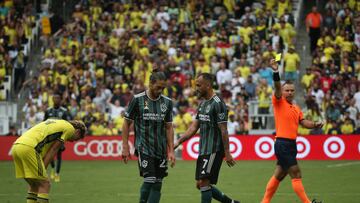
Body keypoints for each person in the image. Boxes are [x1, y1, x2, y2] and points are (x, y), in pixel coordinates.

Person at [261, 59, 323, 203]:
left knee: (279, 175)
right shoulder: (278, 101)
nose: (289, 92)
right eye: (286, 90)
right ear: (282, 92)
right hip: (282, 144)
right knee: (296, 173)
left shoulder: (296, 108)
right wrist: (276, 71)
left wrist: (314, 124)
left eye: (291, 90)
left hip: (291, 144)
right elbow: (277, 86)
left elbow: (303, 122)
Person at [174, 73, 239, 203]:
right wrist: (178, 142)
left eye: (198, 85)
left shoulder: (218, 104)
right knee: (200, 184)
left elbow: (224, 130)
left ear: (208, 85)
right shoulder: (203, 104)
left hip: (214, 149)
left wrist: (227, 153)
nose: (196, 88)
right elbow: (193, 128)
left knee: (204, 183)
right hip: (204, 149)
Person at [122, 71, 176, 203]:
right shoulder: (137, 99)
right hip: (144, 147)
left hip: (161, 149)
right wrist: (125, 147)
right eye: (158, 87)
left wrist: (171, 150)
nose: (160, 90)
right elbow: (126, 123)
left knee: (158, 183)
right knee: (150, 179)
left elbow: (169, 127)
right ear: (150, 84)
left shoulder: (167, 103)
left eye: (163, 88)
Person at [12, 119, 86, 203]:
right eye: (77, 139)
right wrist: (44, 169)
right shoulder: (70, 129)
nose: (73, 141)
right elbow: (53, 150)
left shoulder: (57, 122)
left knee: (34, 184)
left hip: (17, 146)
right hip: (29, 148)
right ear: (78, 132)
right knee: (45, 183)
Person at [44, 94, 72, 182]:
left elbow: (67, 124)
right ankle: (52, 168)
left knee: (59, 155)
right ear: (52, 99)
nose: (56, 100)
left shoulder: (64, 111)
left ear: (60, 100)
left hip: (60, 137)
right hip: (50, 136)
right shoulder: (48, 111)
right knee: (50, 155)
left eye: (58, 98)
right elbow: (44, 123)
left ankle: (57, 174)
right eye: (55, 98)